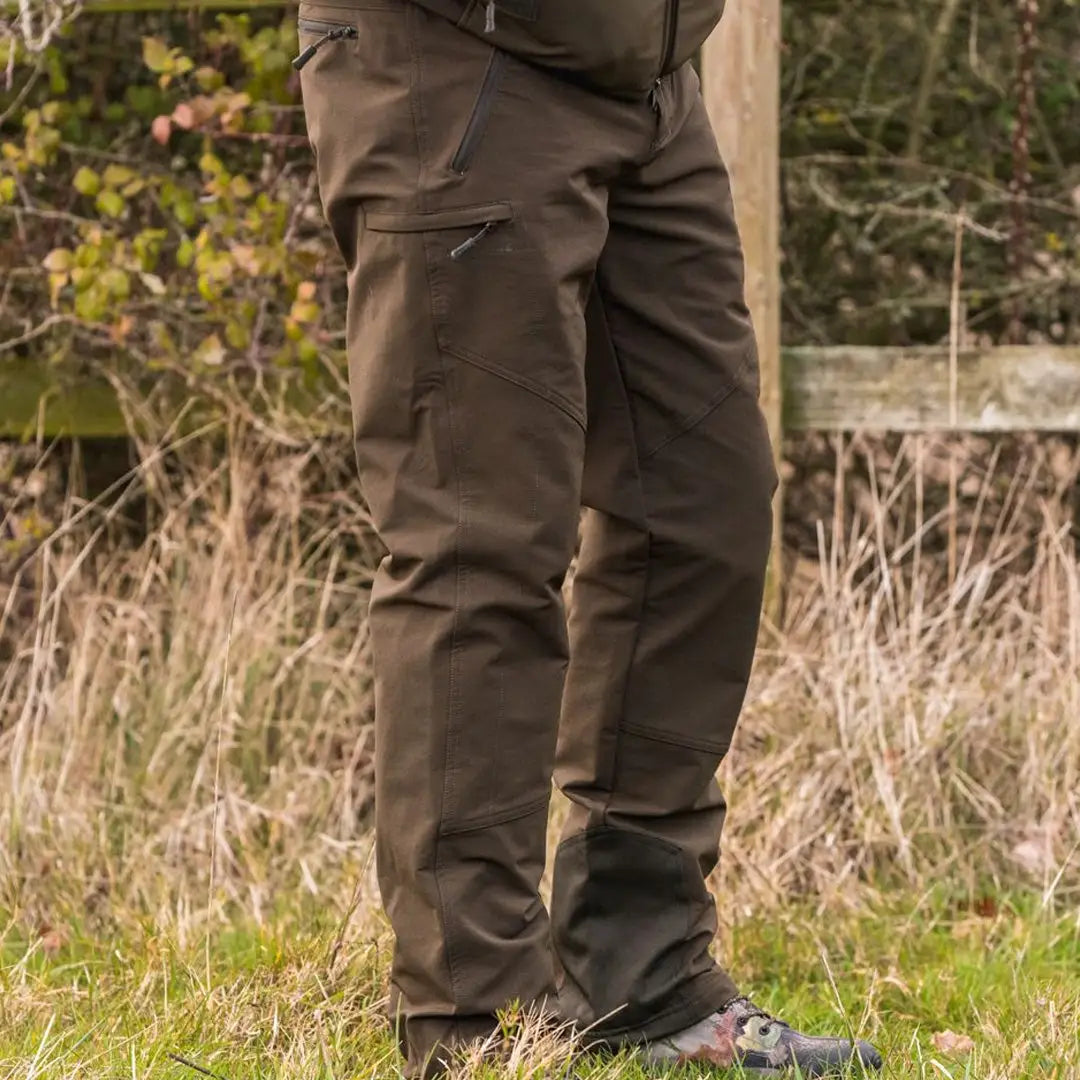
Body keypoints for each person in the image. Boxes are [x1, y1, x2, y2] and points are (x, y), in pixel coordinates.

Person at [296, 1, 883, 1075]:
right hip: (460, 62)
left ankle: (639, 975)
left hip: (648, 67)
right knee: (479, 546)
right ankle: (472, 1026)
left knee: (704, 506)